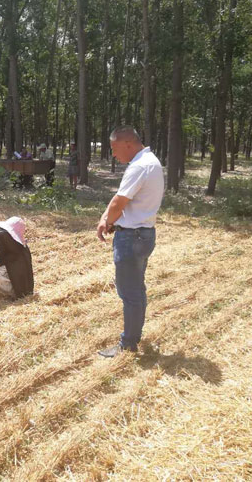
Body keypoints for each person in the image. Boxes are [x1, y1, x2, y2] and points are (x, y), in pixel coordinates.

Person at [96, 125, 164, 357]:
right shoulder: (151, 162)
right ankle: (134, 335)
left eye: (115, 148)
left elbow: (119, 202)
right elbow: (119, 199)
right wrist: (107, 217)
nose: (114, 154)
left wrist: (107, 222)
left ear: (128, 143)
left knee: (130, 293)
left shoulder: (140, 166)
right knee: (137, 290)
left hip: (132, 237)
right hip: (144, 234)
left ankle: (128, 344)